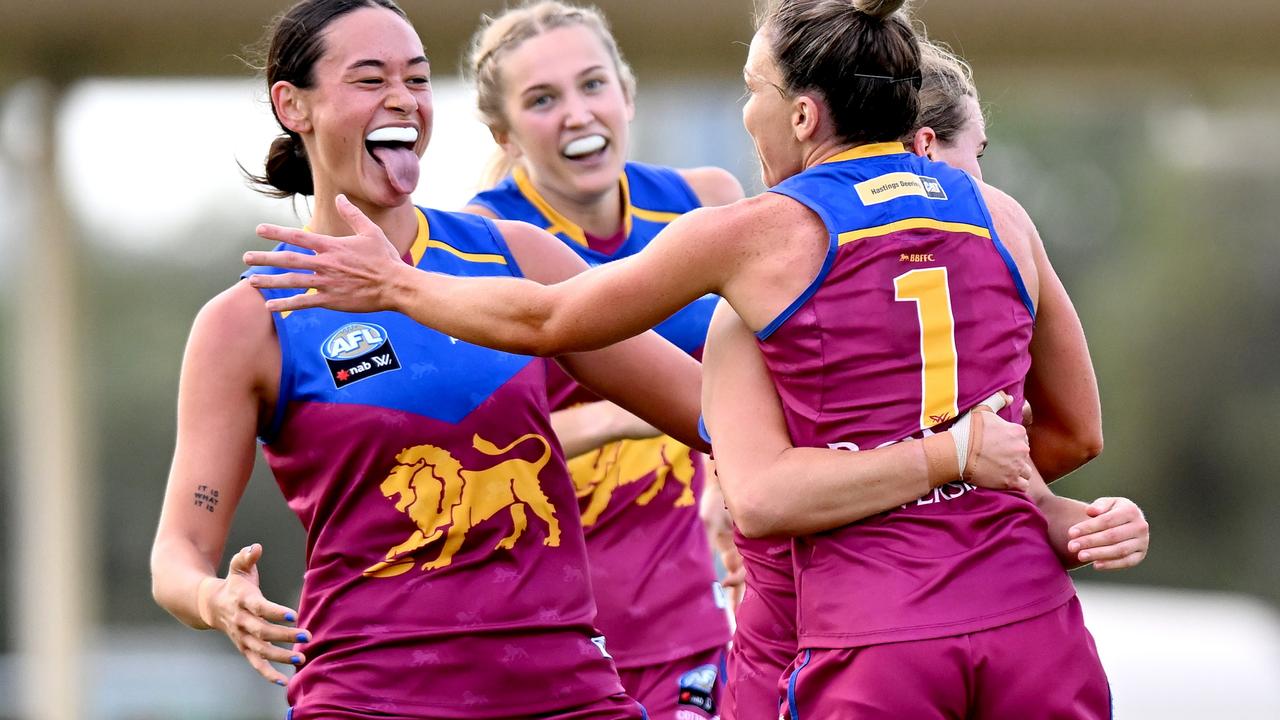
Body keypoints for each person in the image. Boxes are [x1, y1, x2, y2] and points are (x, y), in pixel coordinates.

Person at [244, 0, 1125, 716]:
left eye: (751, 89)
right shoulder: (1001, 214)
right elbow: (1074, 431)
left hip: (867, 638)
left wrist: (396, 288)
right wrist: (972, 489)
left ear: (803, 113)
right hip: (1033, 626)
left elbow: (559, 322)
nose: (745, 114)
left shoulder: (749, 235)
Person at [149, 1, 721, 717]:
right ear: (293, 105)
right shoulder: (247, 321)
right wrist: (214, 598)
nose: (402, 99)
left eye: (416, 79)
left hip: (565, 692)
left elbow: (709, 409)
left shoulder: (516, 255)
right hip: (366, 698)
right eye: (369, 79)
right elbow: (177, 552)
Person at [706, 36, 1151, 720]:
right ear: (919, 147)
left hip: (833, 652)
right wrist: (957, 465)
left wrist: (1063, 517)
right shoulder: (988, 233)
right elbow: (1070, 436)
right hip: (854, 643)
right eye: (975, 157)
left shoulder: (766, 285)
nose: (978, 187)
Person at [458, 3, 741, 716]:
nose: (577, 114)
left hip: (700, 620)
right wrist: (638, 409)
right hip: (544, 633)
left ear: (627, 92)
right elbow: (469, 455)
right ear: (505, 133)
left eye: (592, 86)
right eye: (543, 100)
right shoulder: (479, 241)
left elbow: (757, 376)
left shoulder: (706, 201)